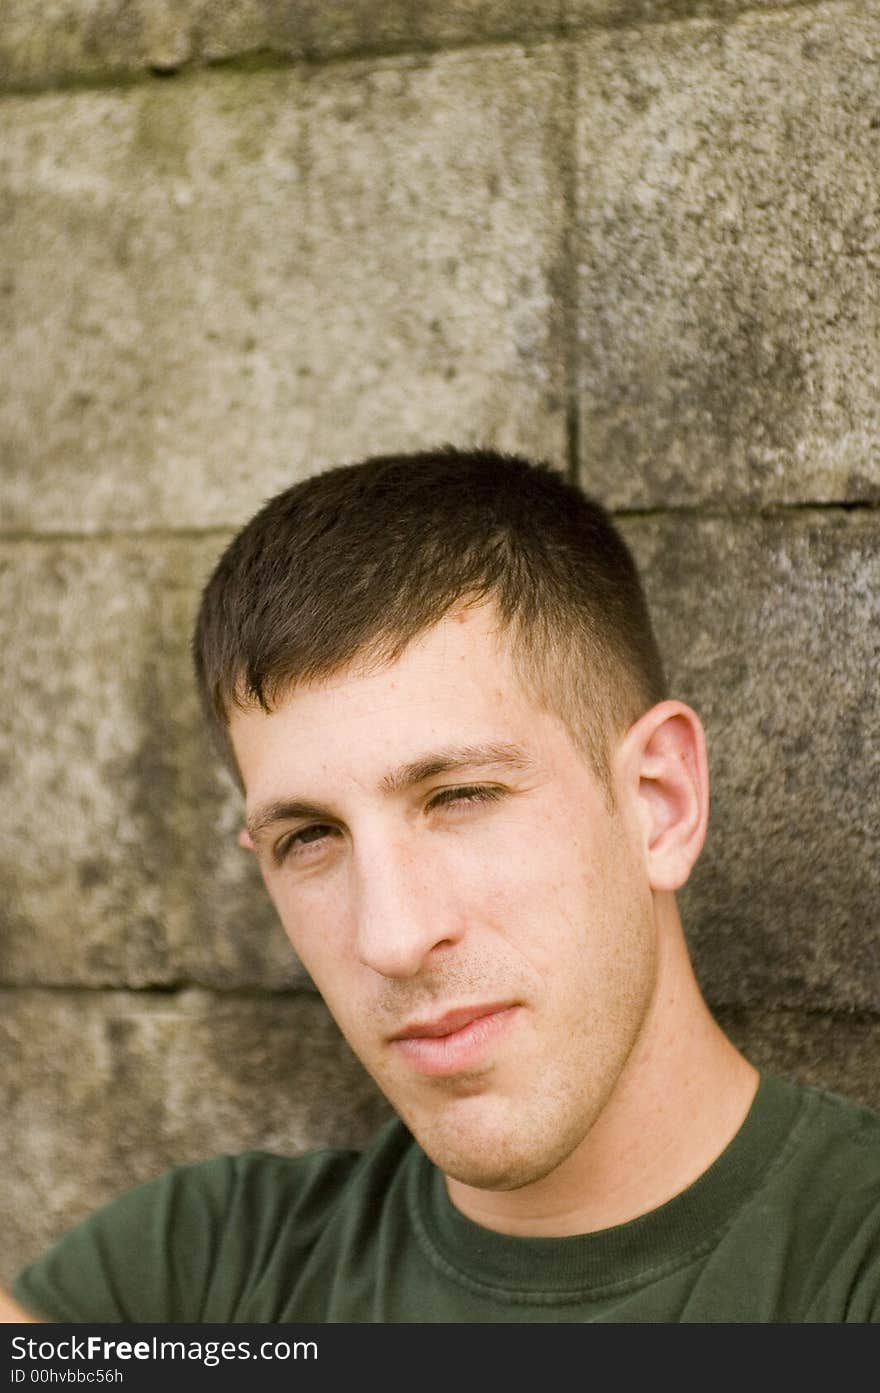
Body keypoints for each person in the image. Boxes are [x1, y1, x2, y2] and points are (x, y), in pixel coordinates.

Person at [3, 447, 879, 1323]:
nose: (390, 937)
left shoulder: (846, 1272)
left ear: (660, 802)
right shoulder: (200, 1272)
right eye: (309, 835)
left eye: (459, 795)